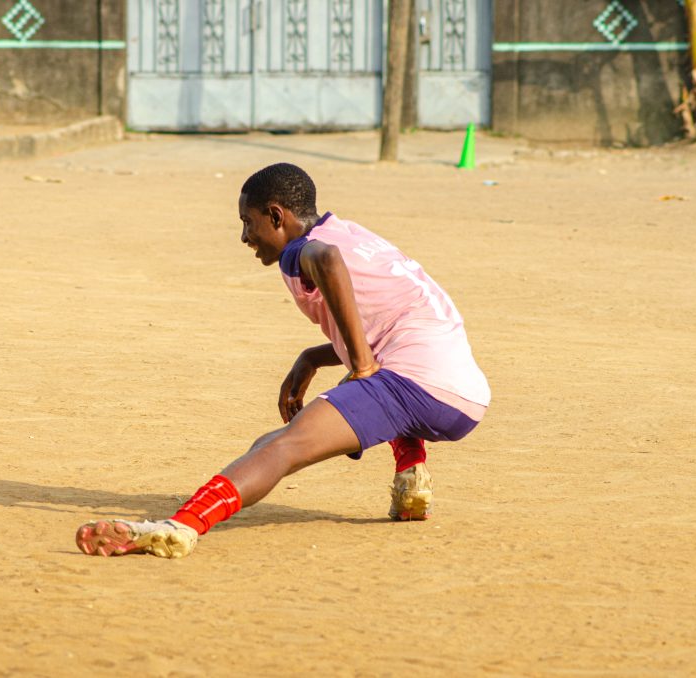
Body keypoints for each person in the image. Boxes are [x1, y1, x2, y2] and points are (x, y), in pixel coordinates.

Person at [75, 163, 491, 558]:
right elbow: (383, 322)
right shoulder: (354, 234)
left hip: (418, 386)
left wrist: (362, 367)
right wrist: (312, 357)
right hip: (463, 394)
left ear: (276, 216)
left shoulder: (300, 250)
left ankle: (180, 526)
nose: (244, 236)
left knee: (278, 445)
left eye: (248, 222)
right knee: (373, 382)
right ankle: (411, 472)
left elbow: (326, 261)